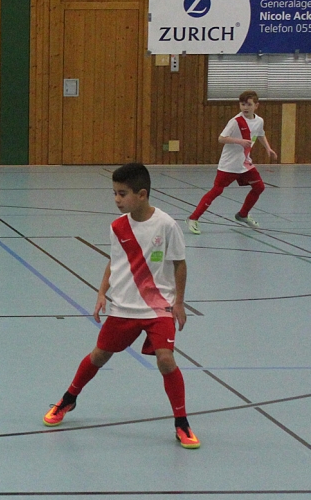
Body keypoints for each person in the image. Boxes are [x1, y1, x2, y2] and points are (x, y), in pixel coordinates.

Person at [43, 163, 200, 449]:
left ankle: (182, 422)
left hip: (158, 307)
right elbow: (114, 262)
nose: (117, 199)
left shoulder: (166, 225)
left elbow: (180, 264)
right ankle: (68, 399)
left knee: (166, 360)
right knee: (99, 355)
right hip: (124, 307)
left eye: (122, 194)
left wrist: (179, 302)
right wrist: (102, 292)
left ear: (142, 194)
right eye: (114, 193)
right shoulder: (117, 227)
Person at [186, 90, 277, 235]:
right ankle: (193, 218)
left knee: (259, 187)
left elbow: (260, 134)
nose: (245, 107)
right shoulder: (236, 121)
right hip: (229, 164)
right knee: (217, 190)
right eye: (242, 104)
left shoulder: (259, 121)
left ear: (256, 105)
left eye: (249, 104)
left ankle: (243, 214)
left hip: (245, 164)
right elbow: (221, 138)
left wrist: (268, 148)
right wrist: (239, 141)